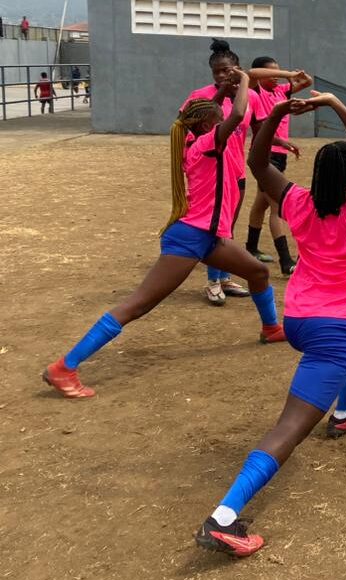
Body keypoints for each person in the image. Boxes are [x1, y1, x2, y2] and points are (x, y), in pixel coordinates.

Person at [195, 91, 346, 557]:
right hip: (332, 332)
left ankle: (344, 413)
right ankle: (222, 518)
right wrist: (335, 104)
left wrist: (279, 113)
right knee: (288, 429)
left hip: (298, 319)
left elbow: (259, 162)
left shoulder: (298, 201)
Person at [41, 73, 286, 399]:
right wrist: (244, 79)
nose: (227, 122)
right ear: (207, 128)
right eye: (219, 120)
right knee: (137, 305)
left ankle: (270, 329)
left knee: (258, 272)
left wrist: (222, 92)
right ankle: (64, 367)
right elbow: (239, 114)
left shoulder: (192, 138)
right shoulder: (205, 145)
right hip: (190, 238)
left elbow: (205, 116)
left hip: (208, 237)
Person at [182, 39, 258, 305]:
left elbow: (255, 128)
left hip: (235, 172)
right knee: (214, 230)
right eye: (218, 72)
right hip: (210, 174)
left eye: (228, 70)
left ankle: (223, 277)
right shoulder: (200, 95)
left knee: (227, 229)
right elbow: (189, 125)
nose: (223, 75)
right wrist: (220, 94)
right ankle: (213, 282)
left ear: (238, 68)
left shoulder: (250, 96)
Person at [244, 55, 312, 275]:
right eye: (270, 73)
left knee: (261, 203)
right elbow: (252, 74)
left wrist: (296, 76)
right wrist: (287, 74)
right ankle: (286, 261)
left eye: (278, 72)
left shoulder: (281, 92)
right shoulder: (256, 92)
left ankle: (251, 247)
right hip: (265, 155)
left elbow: (307, 82)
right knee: (277, 207)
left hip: (279, 154)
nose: (275, 77)